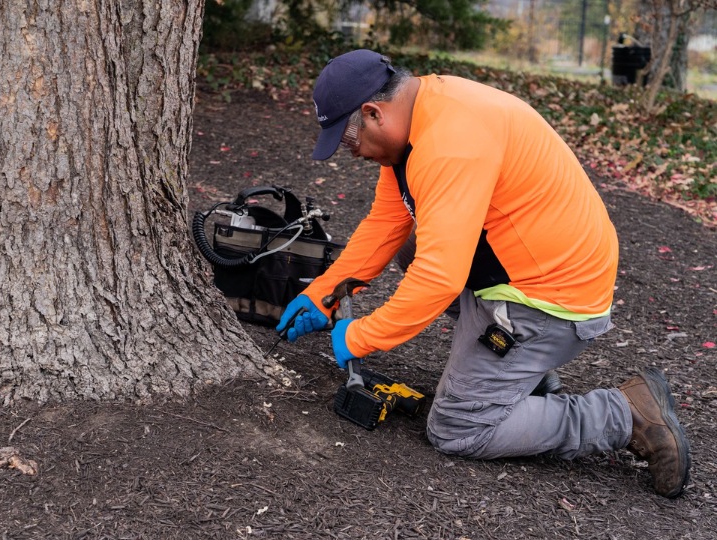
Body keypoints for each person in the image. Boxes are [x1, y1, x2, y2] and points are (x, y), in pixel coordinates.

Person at [276, 49, 691, 498]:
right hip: (534, 269)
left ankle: (625, 413)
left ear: (373, 112)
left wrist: (359, 337)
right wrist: (323, 294)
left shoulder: (449, 143)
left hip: (551, 301)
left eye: (349, 140)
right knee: (413, 248)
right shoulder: (425, 112)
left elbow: (439, 277)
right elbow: (387, 223)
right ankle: (523, 374)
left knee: (458, 428)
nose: (351, 152)